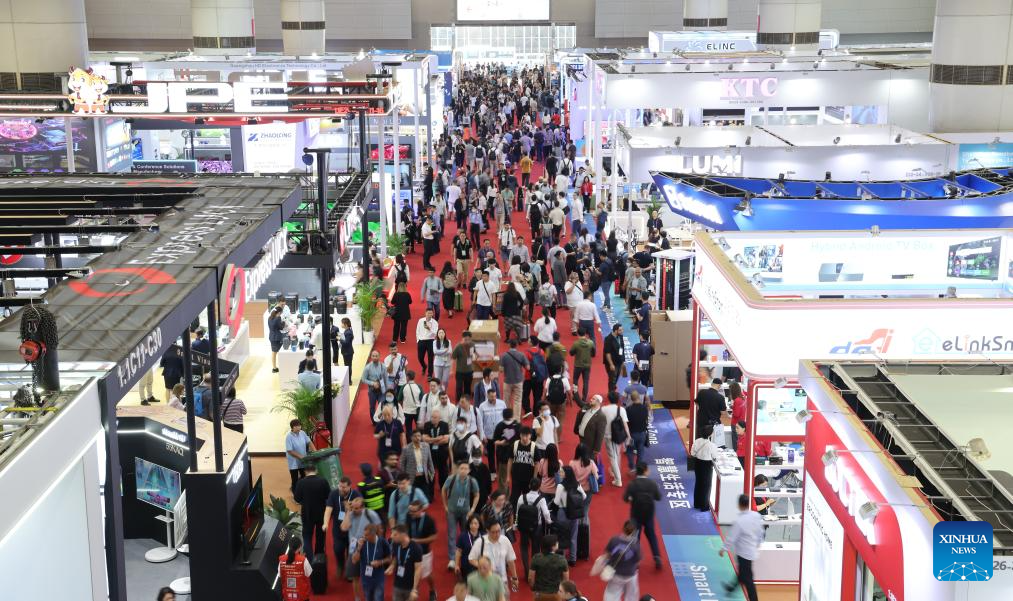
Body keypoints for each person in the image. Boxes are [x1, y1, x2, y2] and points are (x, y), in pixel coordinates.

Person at [719, 494, 764, 601]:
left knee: (748, 579)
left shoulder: (740, 521)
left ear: (739, 505)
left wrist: (723, 549)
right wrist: (759, 542)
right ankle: (731, 588)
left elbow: (731, 538)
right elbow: (760, 531)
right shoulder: (756, 516)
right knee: (743, 573)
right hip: (752, 551)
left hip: (743, 554)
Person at [623, 462, 663, 569]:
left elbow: (625, 499)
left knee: (635, 536)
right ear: (646, 470)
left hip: (636, 514)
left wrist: (631, 498)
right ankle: (657, 556)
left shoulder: (632, 484)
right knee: (651, 535)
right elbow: (659, 497)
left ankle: (636, 560)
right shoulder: (652, 483)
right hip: (649, 513)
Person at [444, 460, 481, 569]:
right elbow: (443, 490)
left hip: (466, 512)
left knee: (466, 534)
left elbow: (477, 494)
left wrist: (473, 509)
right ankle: (452, 559)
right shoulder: (451, 479)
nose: (463, 471)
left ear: (469, 470)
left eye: (466, 468)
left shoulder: (472, 481)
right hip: (452, 511)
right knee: (452, 534)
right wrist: (445, 506)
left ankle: (467, 555)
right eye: (461, 468)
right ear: (457, 469)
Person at [468, 519, 519, 597]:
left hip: (502, 581)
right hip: (486, 581)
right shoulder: (480, 542)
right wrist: (483, 566)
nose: (497, 534)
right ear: (487, 531)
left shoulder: (505, 540)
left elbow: (510, 560)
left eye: (499, 531)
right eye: (494, 532)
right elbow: (471, 559)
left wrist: (514, 577)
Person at [323, 477, 363, 572]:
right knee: (338, 549)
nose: (341, 489)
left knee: (351, 551)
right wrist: (325, 523)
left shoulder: (356, 495)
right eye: (340, 486)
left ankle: (349, 570)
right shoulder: (333, 494)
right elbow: (328, 509)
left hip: (352, 532)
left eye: (344, 487)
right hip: (338, 531)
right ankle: (340, 565)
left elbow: (361, 511)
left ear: (349, 486)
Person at [515, 474, 553, 574]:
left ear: (529, 486)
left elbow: (517, 512)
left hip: (523, 526)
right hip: (537, 527)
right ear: (539, 487)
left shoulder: (521, 497)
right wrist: (549, 521)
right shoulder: (541, 499)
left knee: (524, 547)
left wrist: (517, 524)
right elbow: (546, 513)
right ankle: (533, 571)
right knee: (535, 549)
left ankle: (526, 570)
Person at [294, 463, 331, 562]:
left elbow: (297, 498)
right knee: (320, 536)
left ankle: (310, 560)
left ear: (305, 471)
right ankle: (319, 558)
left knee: (307, 536)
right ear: (316, 470)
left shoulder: (301, 482)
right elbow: (328, 496)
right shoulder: (323, 481)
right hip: (321, 513)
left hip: (307, 513)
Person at [600, 521, 641, 601]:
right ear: (634, 532)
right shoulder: (636, 545)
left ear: (623, 528)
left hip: (616, 574)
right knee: (631, 596)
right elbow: (638, 561)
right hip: (630, 574)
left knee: (612, 595)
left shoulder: (614, 540)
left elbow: (607, 555)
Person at [407, 500, 439, 601]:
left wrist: (418, 541)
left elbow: (434, 537)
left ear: (421, 510)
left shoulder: (429, 520)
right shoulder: (408, 517)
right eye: (410, 511)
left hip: (424, 553)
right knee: (412, 575)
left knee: (427, 575)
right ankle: (414, 593)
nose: (411, 513)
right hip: (410, 552)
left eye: (414, 511)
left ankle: (432, 590)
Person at [353, 523, 391, 601]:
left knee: (378, 598)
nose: (364, 536)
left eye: (366, 535)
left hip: (378, 578)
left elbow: (390, 558)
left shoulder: (382, 542)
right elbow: (354, 560)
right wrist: (358, 548)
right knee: (368, 598)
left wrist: (380, 562)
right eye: (364, 534)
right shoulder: (361, 542)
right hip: (366, 578)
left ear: (373, 534)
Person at [601, 392, 630, 487]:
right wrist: (628, 436)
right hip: (619, 436)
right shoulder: (621, 409)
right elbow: (625, 425)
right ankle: (615, 472)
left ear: (608, 399)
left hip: (608, 436)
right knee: (617, 454)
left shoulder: (603, 409)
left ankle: (618, 480)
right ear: (618, 399)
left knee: (612, 457)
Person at [389, 524, 424, 601]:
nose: (391, 536)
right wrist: (392, 566)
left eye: (395, 534)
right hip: (397, 585)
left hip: (410, 587)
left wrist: (414, 589)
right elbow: (395, 557)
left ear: (403, 535)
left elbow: (418, 569)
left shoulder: (416, 548)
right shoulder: (395, 544)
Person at [529, 535, 569, 601]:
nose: (558, 543)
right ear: (553, 547)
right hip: (556, 594)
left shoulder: (536, 558)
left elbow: (531, 578)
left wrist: (534, 590)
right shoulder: (562, 559)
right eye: (556, 542)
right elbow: (566, 579)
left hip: (540, 593)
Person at [692, 424, 720, 512]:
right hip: (707, 465)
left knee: (698, 483)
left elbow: (692, 453)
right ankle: (704, 506)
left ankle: (697, 503)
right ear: (710, 434)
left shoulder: (697, 441)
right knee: (706, 485)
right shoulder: (712, 445)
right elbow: (715, 457)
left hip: (697, 463)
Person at [401, 430, 436, 499]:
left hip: (424, 476)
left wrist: (432, 473)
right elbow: (402, 463)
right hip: (412, 477)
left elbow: (429, 461)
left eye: (419, 436)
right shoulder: (406, 449)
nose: (417, 438)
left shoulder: (426, 446)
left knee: (425, 497)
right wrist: (404, 477)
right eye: (415, 436)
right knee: (413, 498)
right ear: (411, 437)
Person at [278, 535, 313, 601]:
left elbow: (280, 575)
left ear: (289, 546)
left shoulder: (281, 559)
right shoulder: (303, 560)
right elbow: (309, 574)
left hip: (287, 596)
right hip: (302, 596)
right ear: (300, 547)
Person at [500, 340, 528, 418]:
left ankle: (507, 417)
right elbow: (527, 367)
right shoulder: (521, 355)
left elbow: (501, 370)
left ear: (509, 345)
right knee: (517, 401)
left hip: (507, 380)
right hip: (518, 381)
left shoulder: (504, 355)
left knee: (506, 400)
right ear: (516, 345)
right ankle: (516, 419)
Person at [286, 419, 315, 492]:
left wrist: (315, 451)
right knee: (295, 480)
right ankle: (295, 495)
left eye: (299, 425)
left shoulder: (302, 433)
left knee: (304, 477)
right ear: (292, 427)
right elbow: (290, 451)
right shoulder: (289, 437)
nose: (298, 427)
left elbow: (309, 442)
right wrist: (301, 457)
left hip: (303, 460)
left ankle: (302, 493)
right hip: (294, 462)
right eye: (296, 426)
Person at [568, 328, 595, 404]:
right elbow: (593, 354)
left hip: (578, 365)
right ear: (585, 334)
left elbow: (571, 353)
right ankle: (584, 398)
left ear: (578, 334)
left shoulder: (576, 343)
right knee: (586, 381)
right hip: (587, 365)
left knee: (575, 380)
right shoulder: (591, 342)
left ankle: (575, 396)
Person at [625, 391, 650, 471]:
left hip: (632, 434)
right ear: (639, 397)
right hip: (642, 433)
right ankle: (639, 469)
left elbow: (626, 422)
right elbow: (647, 419)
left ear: (631, 399)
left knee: (629, 451)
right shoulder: (644, 408)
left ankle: (632, 467)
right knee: (640, 451)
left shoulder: (628, 409)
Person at [576, 395, 606, 459]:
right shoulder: (587, 408)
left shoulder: (601, 416)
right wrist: (575, 392)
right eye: (591, 398)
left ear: (598, 402)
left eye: (593, 399)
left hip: (590, 443)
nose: (591, 400)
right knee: (581, 457)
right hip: (582, 438)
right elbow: (579, 402)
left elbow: (600, 434)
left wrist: (597, 449)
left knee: (588, 459)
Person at [363, 350, 388, 421]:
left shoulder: (383, 366)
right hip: (372, 391)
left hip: (382, 390)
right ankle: (374, 421)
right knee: (372, 407)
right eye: (373, 356)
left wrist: (388, 390)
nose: (374, 357)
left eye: (376, 356)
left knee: (382, 405)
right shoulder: (367, 367)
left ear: (379, 356)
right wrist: (372, 383)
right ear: (371, 356)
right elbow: (363, 379)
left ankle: (381, 420)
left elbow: (386, 379)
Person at [452, 331, 476, 401]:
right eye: (465, 340)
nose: (467, 341)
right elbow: (453, 358)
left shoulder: (472, 344)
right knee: (459, 388)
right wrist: (451, 370)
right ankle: (458, 402)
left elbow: (475, 353)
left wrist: (475, 356)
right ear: (462, 338)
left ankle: (467, 401)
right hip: (460, 371)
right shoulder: (458, 347)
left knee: (467, 387)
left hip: (469, 370)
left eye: (468, 339)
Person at [416, 308, 439, 379]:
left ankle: (430, 374)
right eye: (428, 313)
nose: (429, 314)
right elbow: (417, 330)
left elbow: (436, 333)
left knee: (430, 359)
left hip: (430, 341)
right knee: (420, 358)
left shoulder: (435, 322)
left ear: (432, 314)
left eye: (431, 313)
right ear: (425, 313)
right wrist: (418, 340)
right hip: (421, 341)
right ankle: (424, 366)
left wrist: (430, 329)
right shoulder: (421, 320)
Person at [603, 324, 626, 393]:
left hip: (619, 361)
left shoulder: (620, 336)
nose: (622, 331)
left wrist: (623, 360)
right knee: (612, 378)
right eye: (620, 330)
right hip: (612, 362)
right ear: (615, 331)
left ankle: (613, 388)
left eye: (622, 330)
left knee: (616, 377)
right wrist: (611, 364)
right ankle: (611, 393)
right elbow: (607, 353)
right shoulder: (608, 339)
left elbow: (622, 348)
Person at [728, 381, 746, 455]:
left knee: (735, 441)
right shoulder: (743, 398)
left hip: (736, 423)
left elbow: (736, 414)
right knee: (740, 440)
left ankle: (736, 455)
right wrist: (733, 407)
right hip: (741, 422)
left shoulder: (736, 400)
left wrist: (732, 410)